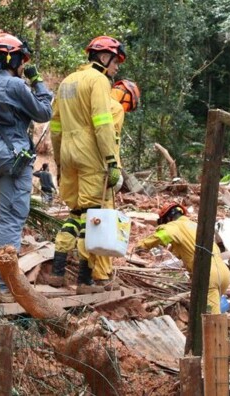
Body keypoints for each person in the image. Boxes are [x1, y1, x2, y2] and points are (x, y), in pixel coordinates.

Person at [0, 32, 53, 300]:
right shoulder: (17, 86)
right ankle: (5, 284)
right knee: (11, 218)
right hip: (13, 156)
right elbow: (43, 112)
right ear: (12, 58)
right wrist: (38, 81)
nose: (22, 66)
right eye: (21, 60)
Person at [50, 36, 131, 293]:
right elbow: (102, 122)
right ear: (104, 57)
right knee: (92, 217)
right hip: (90, 155)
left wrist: (58, 161)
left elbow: (55, 126)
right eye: (116, 61)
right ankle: (84, 281)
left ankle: (57, 271)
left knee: (75, 214)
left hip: (67, 153)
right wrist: (111, 160)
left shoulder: (67, 82)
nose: (116, 67)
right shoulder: (98, 80)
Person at [135, 203, 230, 314]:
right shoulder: (195, 226)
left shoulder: (175, 226)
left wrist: (140, 246)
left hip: (208, 275)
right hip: (224, 273)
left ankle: (213, 330)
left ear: (168, 218)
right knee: (207, 311)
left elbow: (163, 235)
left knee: (211, 321)